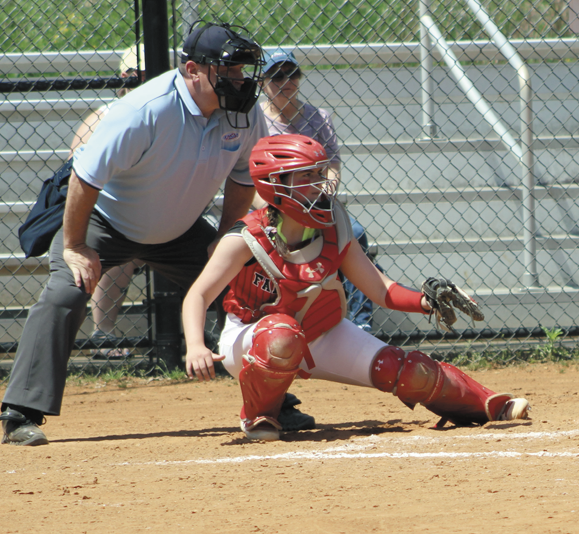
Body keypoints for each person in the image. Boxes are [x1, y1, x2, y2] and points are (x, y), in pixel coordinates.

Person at [0, 22, 270, 446]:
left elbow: (243, 177)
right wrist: (74, 246)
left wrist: (224, 236)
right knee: (65, 292)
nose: (240, 81)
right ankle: (19, 413)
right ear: (194, 70)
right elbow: (84, 179)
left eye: (242, 71)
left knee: (244, 285)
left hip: (179, 229)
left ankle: (271, 398)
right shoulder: (146, 110)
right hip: (106, 221)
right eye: (229, 71)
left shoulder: (244, 111)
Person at [181, 134, 530, 441]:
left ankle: (487, 404)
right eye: (307, 176)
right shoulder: (246, 238)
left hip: (321, 332)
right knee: (281, 335)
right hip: (252, 340)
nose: (321, 184)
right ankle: (260, 413)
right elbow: (198, 295)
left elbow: (381, 290)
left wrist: (425, 302)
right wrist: (196, 345)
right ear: (275, 184)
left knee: (408, 371)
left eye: (321, 173)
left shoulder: (335, 225)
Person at [256, 48, 377, 332]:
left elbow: (332, 162)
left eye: (291, 74)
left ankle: (361, 325)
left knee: (354, 235)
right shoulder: (254, 119)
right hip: (272, 203)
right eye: (276, 76)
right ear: (262, 82)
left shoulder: (318, 117)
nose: (285, 81)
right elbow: (246, 171)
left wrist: (325, 191)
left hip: (313, 200)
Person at [69, 44, 148, 360]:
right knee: (120, 250)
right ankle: (103, 335)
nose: (136, 82)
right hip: (112, 216)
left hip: (162, 218)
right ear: (121, 78)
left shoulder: (173, 118)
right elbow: (75, 175)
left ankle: (194, 334)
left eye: (143, 76)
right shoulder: (103, 117)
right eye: (132, 76)